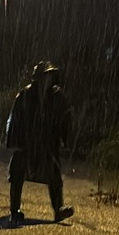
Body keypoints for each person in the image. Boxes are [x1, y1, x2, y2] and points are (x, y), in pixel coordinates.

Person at [5, 61, 74, 223]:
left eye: (49, 77)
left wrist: (65, 139)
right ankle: (14, 210)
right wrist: (17, 141)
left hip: (46, 143)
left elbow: (64, 118)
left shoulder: (56, 97)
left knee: (54, 174)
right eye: (44, 77)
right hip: (27, 142)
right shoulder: (25, 95)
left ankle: (58, 209)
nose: (47, 80)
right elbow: (16, 119)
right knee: (18, 173)